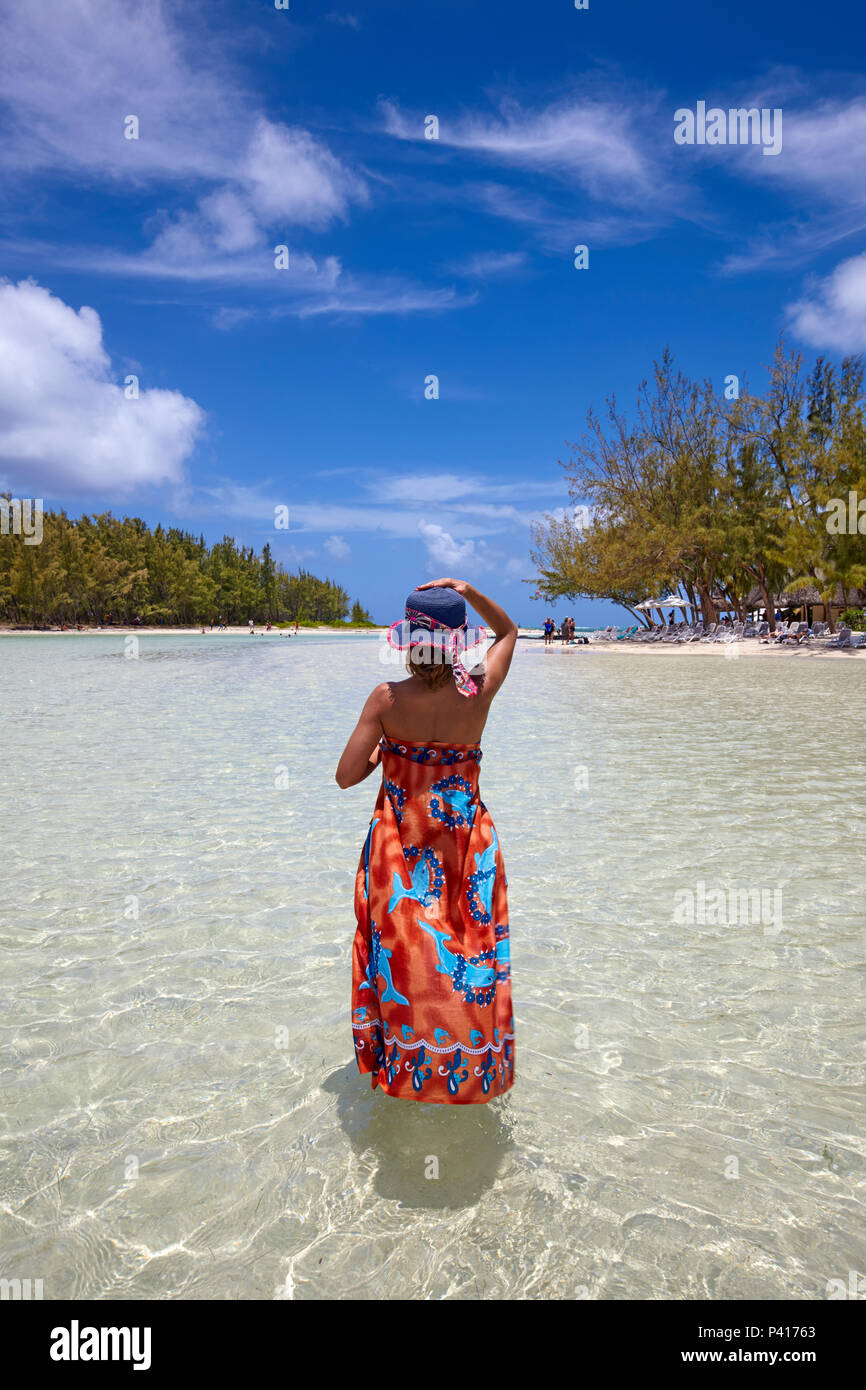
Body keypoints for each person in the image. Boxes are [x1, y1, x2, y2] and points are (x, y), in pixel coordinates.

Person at [335, 578, 517, 1105]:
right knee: (470, 955)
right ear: (460, 641)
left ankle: (404, 1069)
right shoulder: (478, 689)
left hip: (402, 847)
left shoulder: (387, 698)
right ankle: (470, 1074)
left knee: (406, 959)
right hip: (467, 844)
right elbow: (509, 630)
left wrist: (388, 753)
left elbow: (346, 775)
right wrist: (468, 588)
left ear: (409, 641)